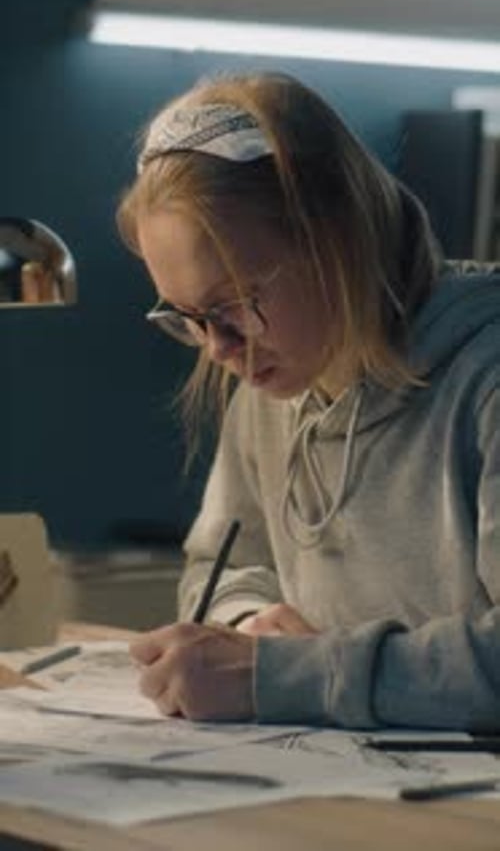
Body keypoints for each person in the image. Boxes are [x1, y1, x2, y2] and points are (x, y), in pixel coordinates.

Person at [117, 71, 500, 730]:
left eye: (237, 304)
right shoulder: (272, 375)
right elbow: (223, 566)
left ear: (338, 240)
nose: (219, 349)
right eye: (189, 318)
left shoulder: (484, 378)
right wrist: (246, 627)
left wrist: (285, 674)